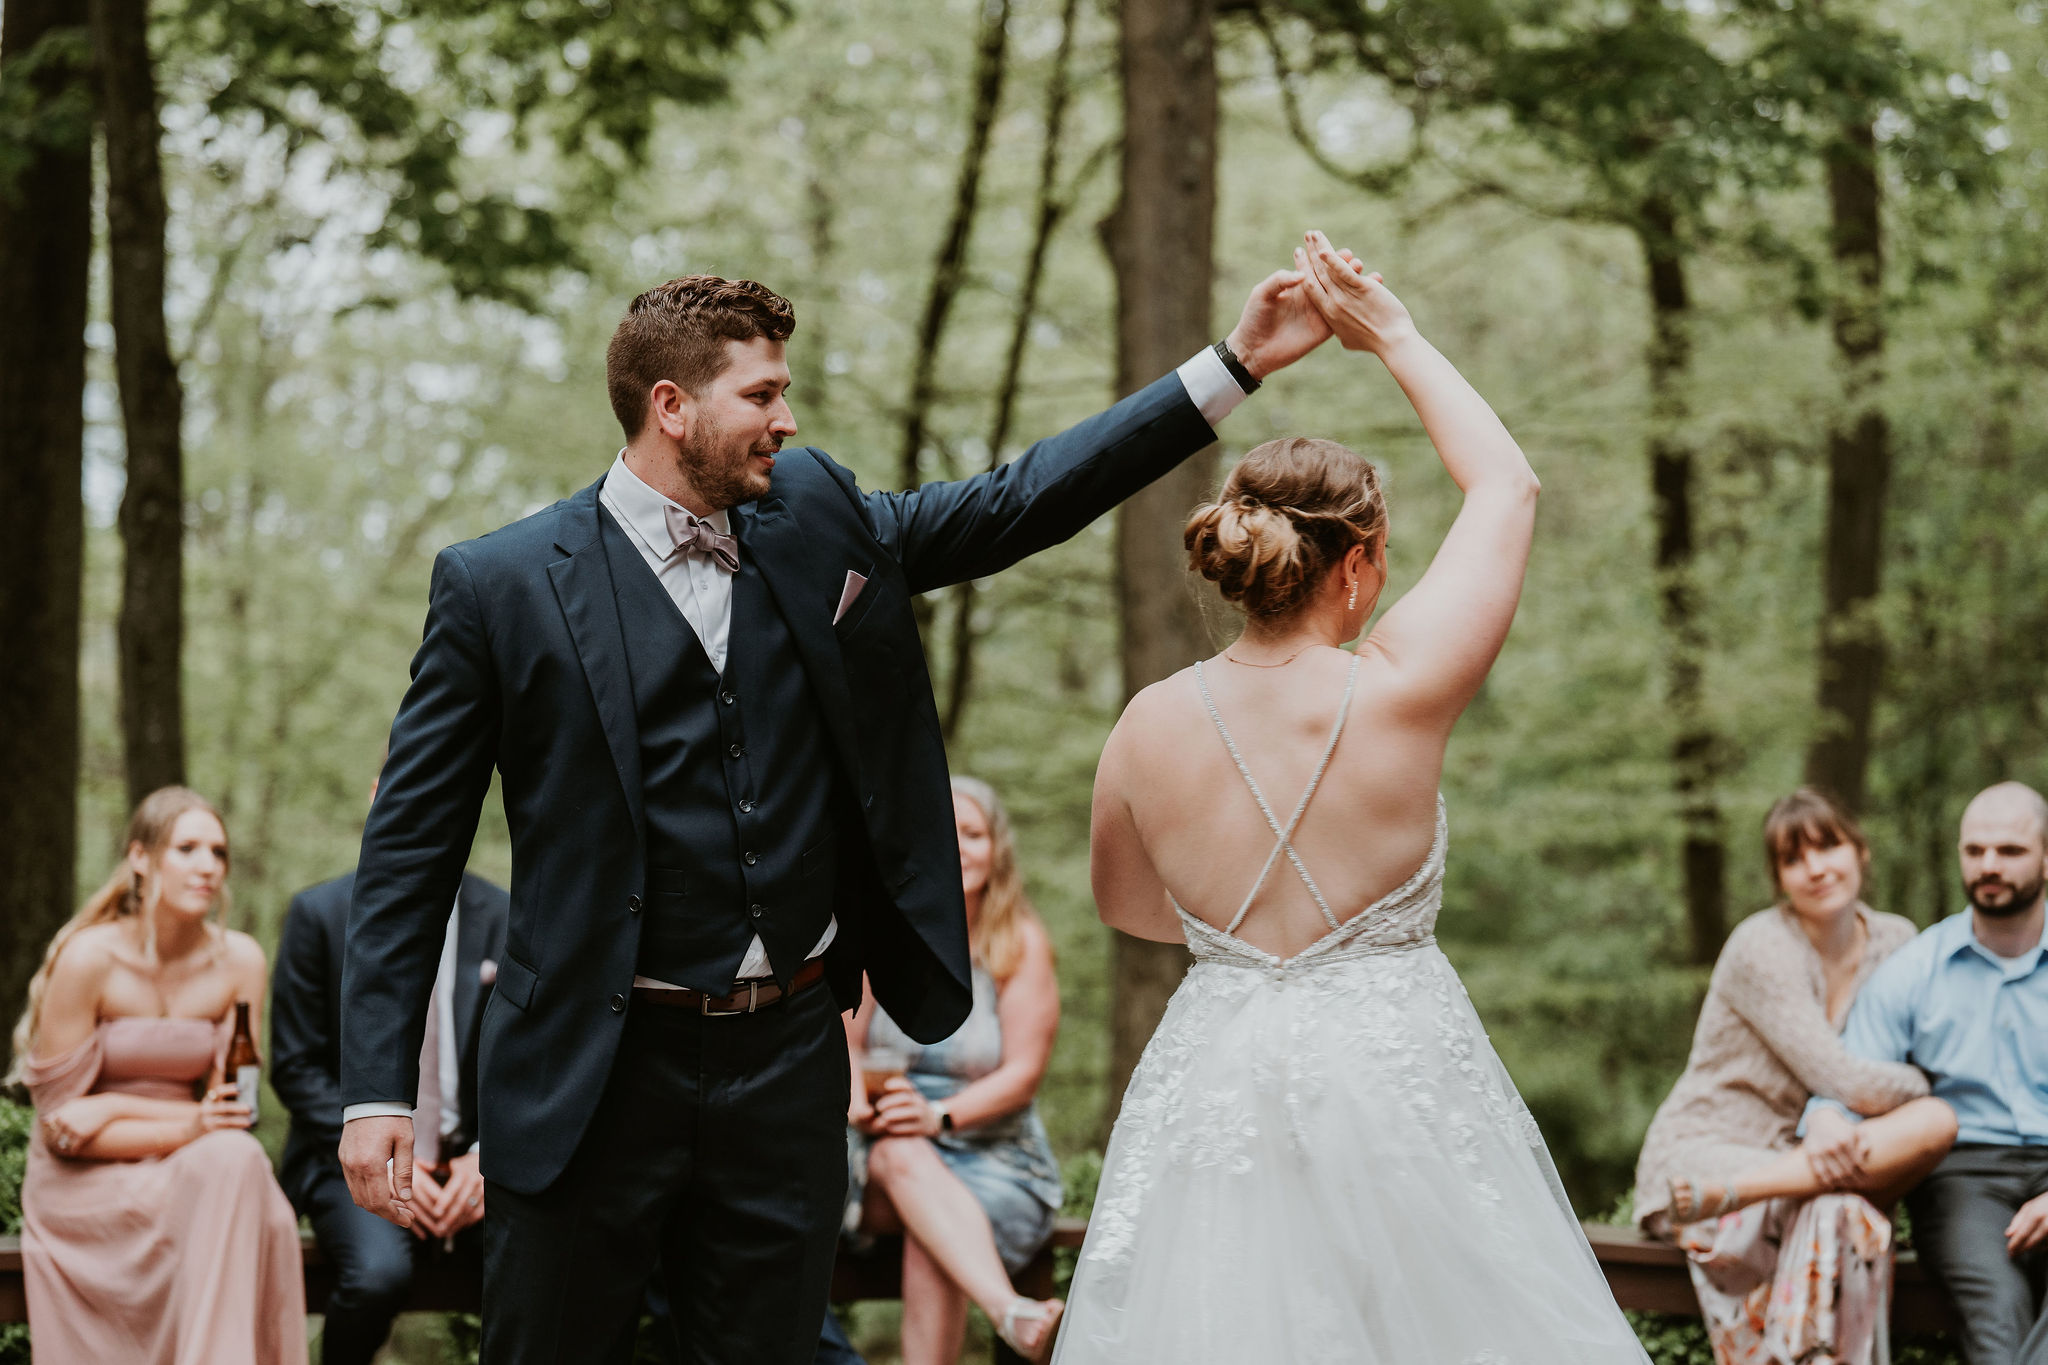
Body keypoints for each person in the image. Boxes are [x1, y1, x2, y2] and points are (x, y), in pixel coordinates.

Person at [336, 248, 1355, 1365]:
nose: (785, 419)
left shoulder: (815, 512)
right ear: (671, 407)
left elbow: (1017, 502)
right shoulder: (499, 585)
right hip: (588, 1066)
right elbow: (409, 854)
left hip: (785, 1061)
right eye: (761, 395)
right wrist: (375, 1090)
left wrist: (1233, 363)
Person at [1060, 232, 1648, 1362]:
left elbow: (1128, 909)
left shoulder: (1144, 725)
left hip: (1217, 1071)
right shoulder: (1402, 691)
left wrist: (1245, 945)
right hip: (1394, 1070)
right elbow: (1506, 486)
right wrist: (1393, 335)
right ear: (1360, 563)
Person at [1632, 787, 1955, 1365]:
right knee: (1850, 1199)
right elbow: (1842, 1076)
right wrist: (1916, 1085)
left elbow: (1906, 1057)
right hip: (1706, 1153)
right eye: (1793, 858)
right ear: (1779, 878)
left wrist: (1833, 1120)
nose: (1815, 868)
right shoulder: (1762, 945)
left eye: (1828, 847)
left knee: (1925, 1130)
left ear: (1860, 851)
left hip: (1810, 1160)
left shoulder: (1897, 942)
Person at [9, 786, 308, 1365]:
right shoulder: (88, 958)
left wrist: (116, 1105)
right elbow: (62, 1130)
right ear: (140, 858)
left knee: (238, 1157)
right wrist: (189, 1123)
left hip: (190, 1166)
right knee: (239, 1170)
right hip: (86, 1181)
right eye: (187, 848)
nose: (208, 866)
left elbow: (232, 1112)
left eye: (218, 852)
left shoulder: (241, 960)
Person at [1798, 781, 2048, 1365]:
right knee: (1996, 1320)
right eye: (1975, 850)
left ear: (2046, 858)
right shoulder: (1915, 970)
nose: (1989, 865)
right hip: (1965, 1178)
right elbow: (1848, 1081)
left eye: (2010, 851)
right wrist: (1826, 1119)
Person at [270, 756, 509, 1365]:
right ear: (378, 796)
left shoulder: (509, 917)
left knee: (540, 1271)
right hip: (347, 1158)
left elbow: (527, 1061)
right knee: (377, 1277)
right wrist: (385, 1155)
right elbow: (295, 1066)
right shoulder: (318, 915)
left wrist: (487, 1158)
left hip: (477, 1167)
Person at [844, 777, 1065, 1364]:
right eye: (947, 831)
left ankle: (1009, 1316)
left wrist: (938, 1116)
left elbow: (1023, 1074)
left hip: (996, 1159)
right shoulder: (882, 937)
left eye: (974, 833)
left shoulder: (1019, 943)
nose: (960, 846)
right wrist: (858, 1105)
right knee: (902, 1160)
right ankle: (1013, 1313)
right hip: (880, 1153)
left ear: (997, 851)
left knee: (933, 1229)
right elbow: (846, 1044)